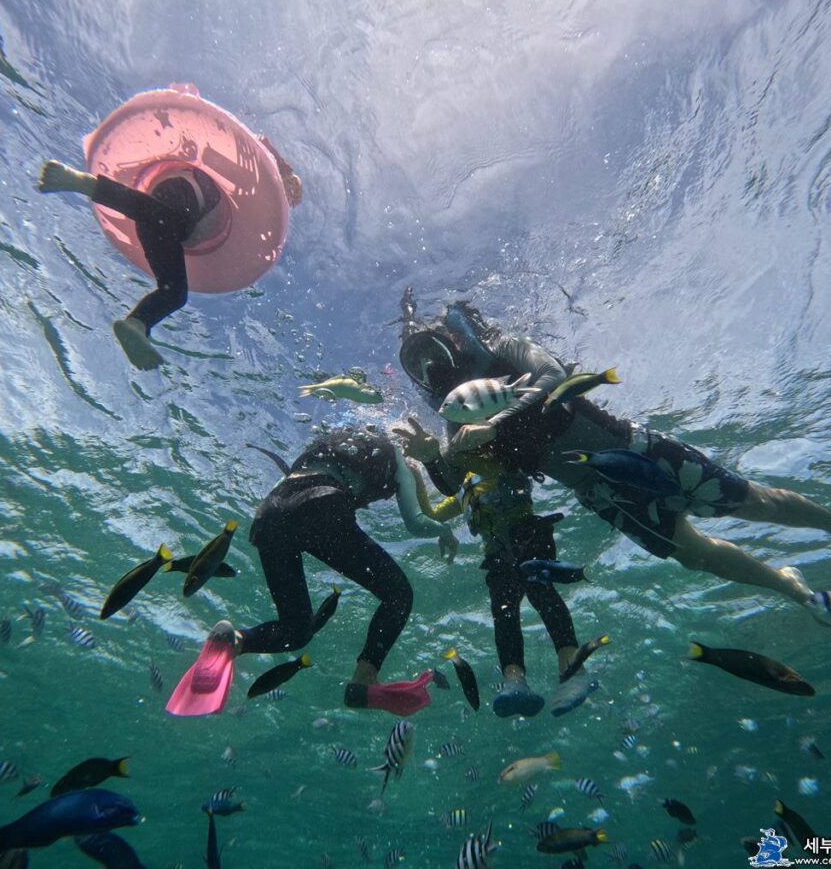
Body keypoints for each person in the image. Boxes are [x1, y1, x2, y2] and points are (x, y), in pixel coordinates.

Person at [394, 294, 831, 607]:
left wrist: (498, 417)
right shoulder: (455, 413)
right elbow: (461, 486)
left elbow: (553, 374)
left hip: (634, 449)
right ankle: (789, 586)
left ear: (453, 342)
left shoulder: (504, 350)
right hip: (602, 494)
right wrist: (435, 456)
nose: (432, 372)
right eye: (419, 371)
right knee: (695, 558)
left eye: (433, 356)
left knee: (754, 503)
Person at [167, 426, 457, 718]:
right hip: (320, 504)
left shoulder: (332, 443)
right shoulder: (398, 458)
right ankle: (364, 679)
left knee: (296, 630)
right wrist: (445, 531)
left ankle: (236, 641)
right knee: (398, 594)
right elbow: (415, 523)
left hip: (269, 514)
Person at [37, 155, 300, 370]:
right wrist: (284, 172)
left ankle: (137, 323)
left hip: (164, 230)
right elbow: (256, 149)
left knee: (175, 294)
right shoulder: (227, 182)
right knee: (158, 212)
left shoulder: (212, 224)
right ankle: (84, 183)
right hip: (182, 194)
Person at [415, 453, 598, 718]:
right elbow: (432, 514)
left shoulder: (493, 460)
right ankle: (515, 682)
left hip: (528, 533)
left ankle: (574, 672)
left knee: (542, 594)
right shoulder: (463, 490)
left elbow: (498, 466)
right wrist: (417, 477)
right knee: (504, 614)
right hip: (496, 553)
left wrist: (440, 453)